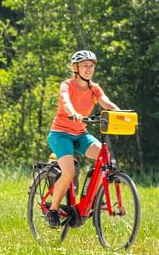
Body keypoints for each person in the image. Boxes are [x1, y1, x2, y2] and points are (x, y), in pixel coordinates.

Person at [45, 50, 121, 228]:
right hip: (60, 134)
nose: (89, 69)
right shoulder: (67, 85)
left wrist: (121, 113)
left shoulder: (94, 88)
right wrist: (73, 113)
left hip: (80, 134)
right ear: (76, 68)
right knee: (69, 172)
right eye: (85, 65)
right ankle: (53, 211)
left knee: (104, 157)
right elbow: (65, 101)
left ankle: (91, 198)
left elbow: (106, 102)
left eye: (92, 66)